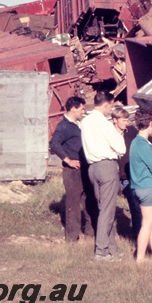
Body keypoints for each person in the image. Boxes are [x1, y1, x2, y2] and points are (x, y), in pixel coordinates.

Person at [80, 91, 126, 261]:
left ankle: (111, 248)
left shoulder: (85, 121)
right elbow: (121, 148)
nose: (110, 110)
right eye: (111, 106)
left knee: (104, 209)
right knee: (108, 210)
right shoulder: (104, 123)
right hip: (106, 166)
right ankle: (101, 251)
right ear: (106, 104)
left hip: (92, 168)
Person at [49, 96, 96, 242]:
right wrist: (68, 160)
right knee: (73, 204)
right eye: (82, 108)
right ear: (73, 108)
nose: (84, 111)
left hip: (84, 169)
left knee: (89, 200)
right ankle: (72, 238)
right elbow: (54, 143)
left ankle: (90, 233)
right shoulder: (64, 126)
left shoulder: (79, 124)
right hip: (72, 172)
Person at [128, 109, 152, 264]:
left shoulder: (134, 142)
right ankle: (140, 259)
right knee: (147, 224)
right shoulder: (144, 145)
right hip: (147, 187)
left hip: (137, 187)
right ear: (150, 124)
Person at [113, 107, 142, 240]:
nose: (126, 123)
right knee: (109, 206)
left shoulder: (131, 131)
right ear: (115, 120)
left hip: (128, 176)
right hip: (112, 175)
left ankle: (138, 234)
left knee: (135, 205)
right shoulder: (108, 133)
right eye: (123, 120)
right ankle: (111, 235)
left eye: (127, 120)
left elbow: (143, 139)